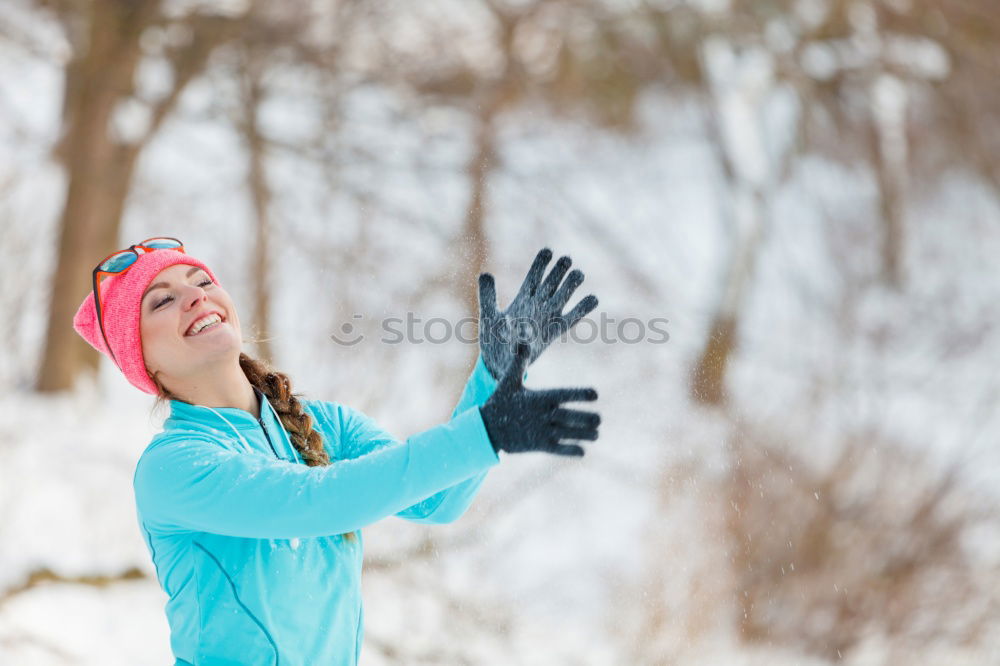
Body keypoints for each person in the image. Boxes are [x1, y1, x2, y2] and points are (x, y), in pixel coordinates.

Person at [72, 237, 602, 665]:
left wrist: (491, 379)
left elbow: (437, 502)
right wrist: (483, 433)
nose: (195, 296)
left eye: (203, 280)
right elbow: (315, 503)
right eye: (161, 300)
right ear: (142, 362)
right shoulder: (174, 467)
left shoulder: (323, 424)